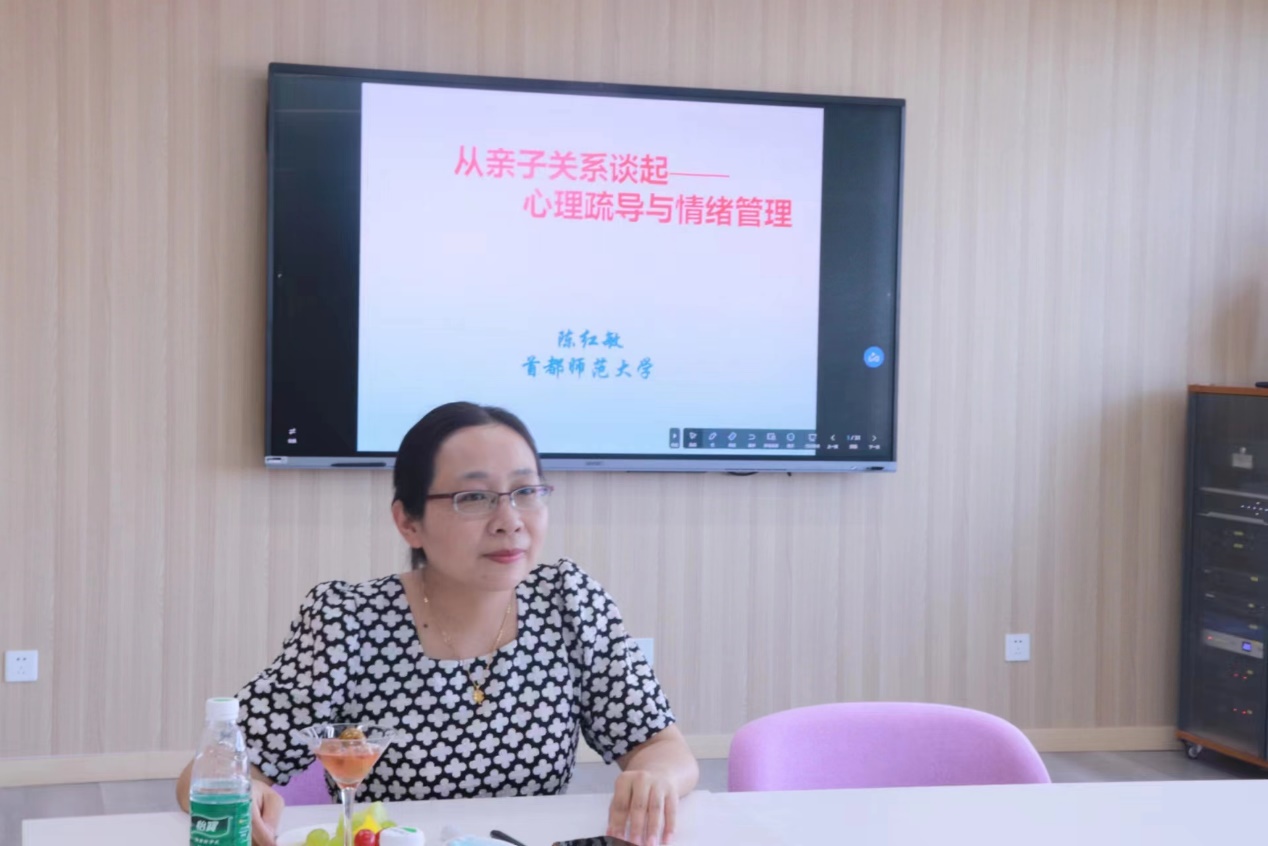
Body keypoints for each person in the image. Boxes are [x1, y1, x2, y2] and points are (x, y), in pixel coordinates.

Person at [177, 401, 698, 846]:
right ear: (409, 521)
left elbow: (662, 746)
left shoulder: (569, 602)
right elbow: (205, 777)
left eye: (526, 491)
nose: (510, 520)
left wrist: (656, 777)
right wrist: (250, 794)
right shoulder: (348, 621)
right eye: (474, 498)